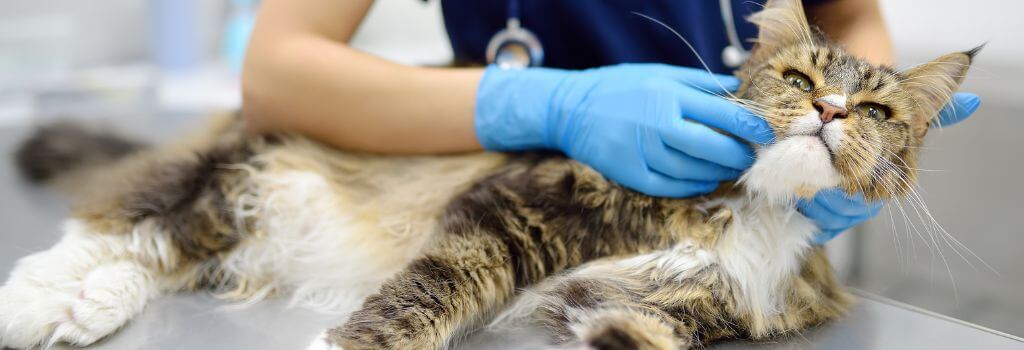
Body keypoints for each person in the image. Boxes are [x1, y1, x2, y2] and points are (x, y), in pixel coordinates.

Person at [241, 0, 980, 243]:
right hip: (501, 217)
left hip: (750, 220)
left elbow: (849, 15)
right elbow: (277, 72)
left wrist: (871, 132)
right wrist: (548, 105)